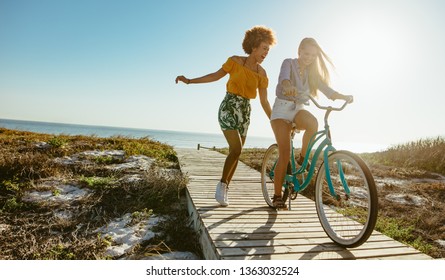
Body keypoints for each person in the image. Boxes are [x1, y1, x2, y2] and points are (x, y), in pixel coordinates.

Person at [175, 26, 276, 207]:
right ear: (253, 47)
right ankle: (222, 185)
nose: (266, 52)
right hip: (229, 107)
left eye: (268, 49)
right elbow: (215, 76)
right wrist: (189, 81)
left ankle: (225, 187)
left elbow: (264, 102)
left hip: (245, 112)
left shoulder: (262, 74)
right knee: (236, 149)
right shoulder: (235, 61)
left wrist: (275, 121)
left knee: (235, 153)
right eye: (264, 48)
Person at [270, 37, 353, 209]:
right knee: (285, 154)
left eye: (313, 55)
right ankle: (277, 195)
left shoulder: (312, 73)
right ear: (299, 51)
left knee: (313, 123)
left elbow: (327, 90)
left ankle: (302, 156)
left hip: (298, 109)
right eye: (306, 53)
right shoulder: (288, 63)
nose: (309, 57)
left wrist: (343, 96)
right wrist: (287, 86)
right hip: (281, 110)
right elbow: (284, 78)